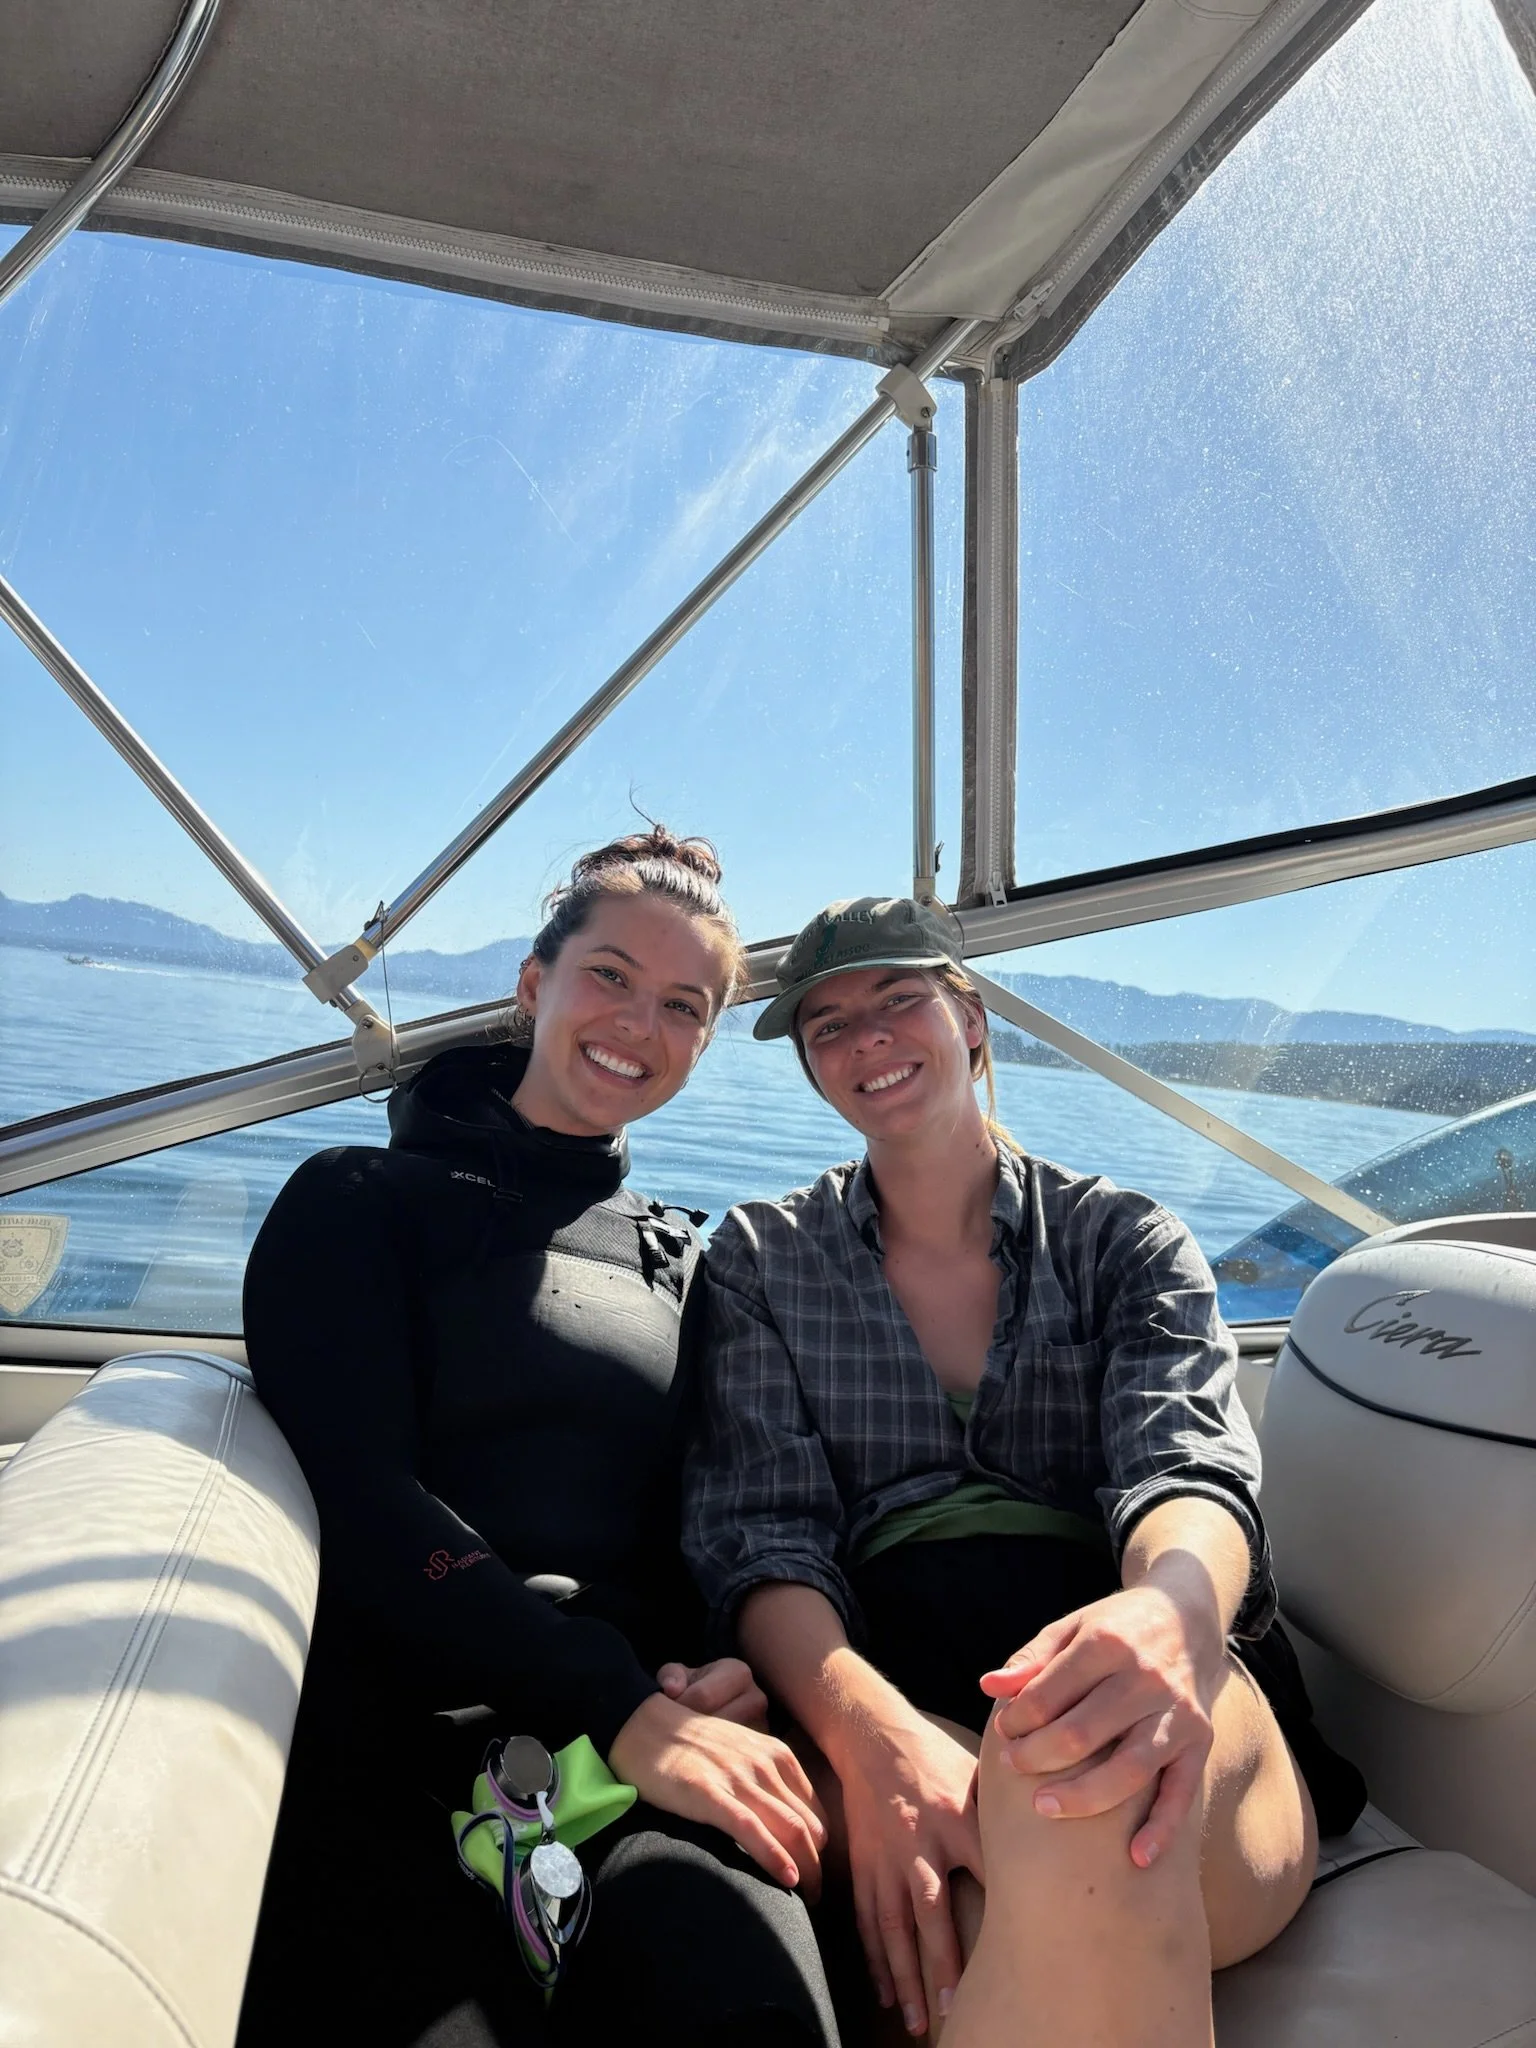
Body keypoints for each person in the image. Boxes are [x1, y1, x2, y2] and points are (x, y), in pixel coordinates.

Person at [684, 897, 1365, 2047]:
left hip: (1143, 1629)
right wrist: (872, 1736)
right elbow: (765, 1537)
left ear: (974, 1020)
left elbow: (1184, 1464)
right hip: (894, 1674)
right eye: (829, 1025)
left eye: (900, 1000)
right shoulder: (760, 1258)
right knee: (997, 1890)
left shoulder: (1124, 1238)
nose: (869, 1039)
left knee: (1069, 1775)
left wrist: (1171, 1612)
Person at [238, 829, 839, 2048]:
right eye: (609, 974)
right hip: (409, 1729)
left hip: (635, 1728)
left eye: (684, 1003)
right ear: (533, 985)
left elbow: (696, 1509)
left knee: (750, 2010)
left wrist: (721, 1662)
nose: (638, 1020)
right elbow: (361, 1495)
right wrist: (613, 1697)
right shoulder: (358, 1204)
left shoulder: (681, 1255)